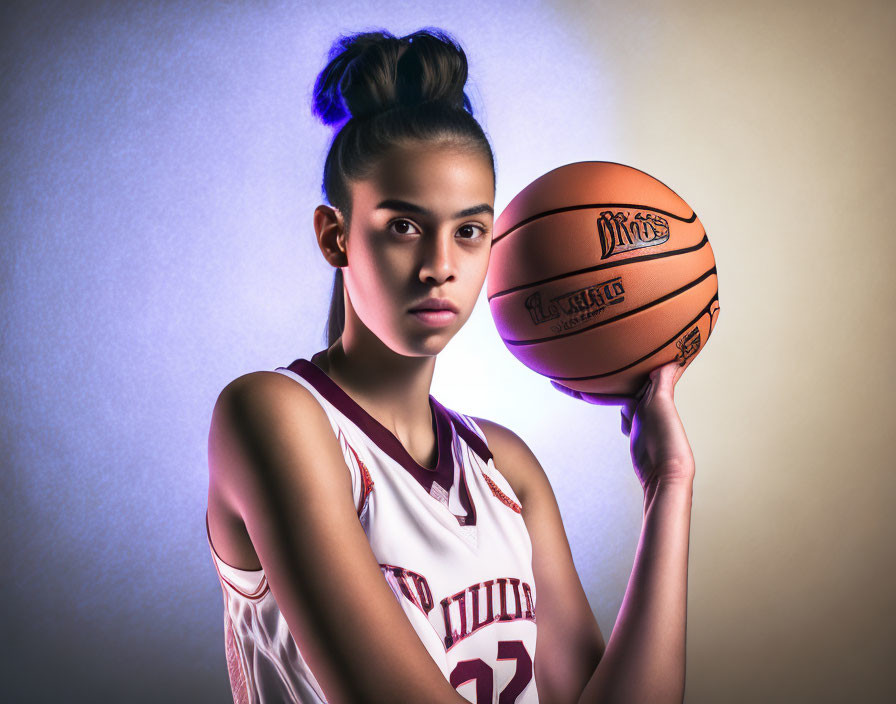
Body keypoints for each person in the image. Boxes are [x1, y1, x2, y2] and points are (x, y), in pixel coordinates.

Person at [205, 27, 695, 704]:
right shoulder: (270, 415)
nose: (441, 266)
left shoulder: (507, 468)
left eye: (469, 231)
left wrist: (668, 485)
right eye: (404, 226)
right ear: (335, 235)